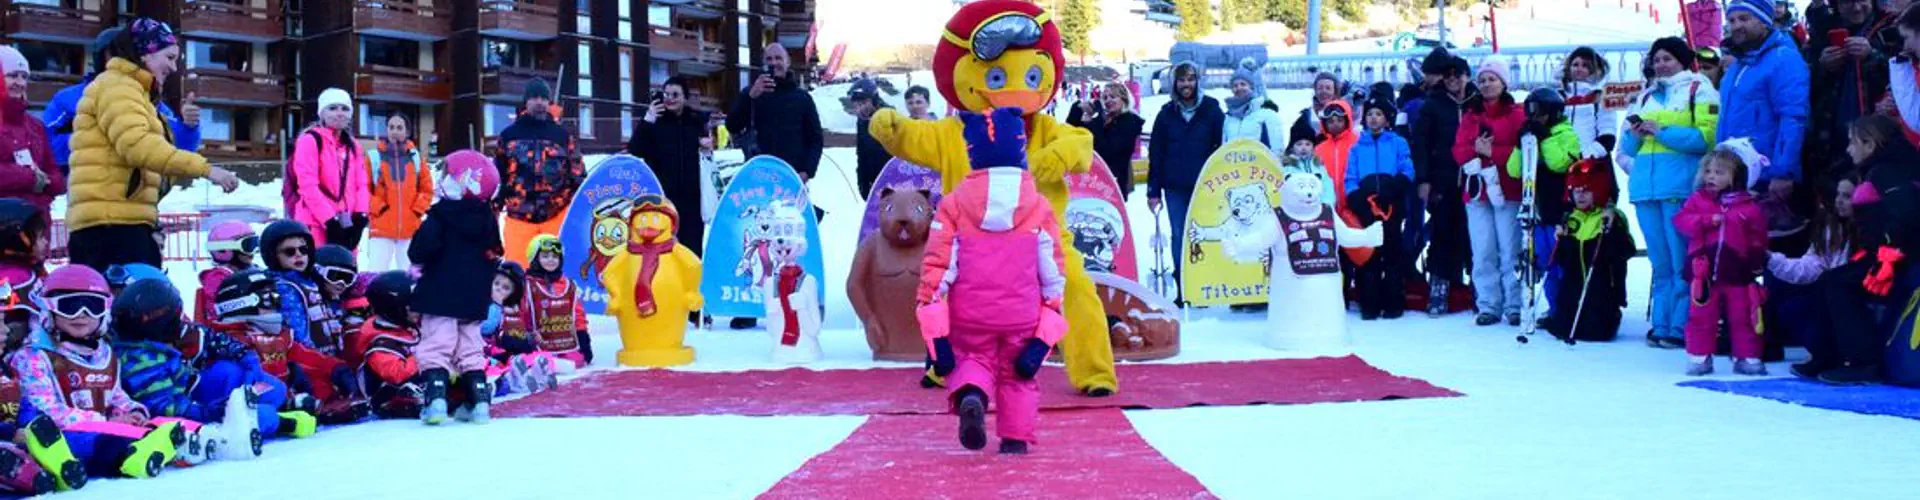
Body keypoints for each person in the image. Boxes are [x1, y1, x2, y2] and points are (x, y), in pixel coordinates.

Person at [916, 109, 1067, 455]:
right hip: (1022, 313)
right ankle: (1014, 439)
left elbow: (938, 267)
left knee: (973, 357)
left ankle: (972, 395)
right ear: (1020, 151)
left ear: (973, 154)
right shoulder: (1039, 207)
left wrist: (935, 332)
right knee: (1018, 376)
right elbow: (1053, 271)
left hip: (971, 313)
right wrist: (1049, 321)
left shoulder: (953, 205)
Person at [64, 18, 240, 272]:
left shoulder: (137, 93)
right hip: (110, 229)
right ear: (145, 54)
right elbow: (139, 146)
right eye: (169, 57)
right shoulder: (118, 87)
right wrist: (207, 170)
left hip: (121, 222)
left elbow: (156, 157)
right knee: (139, 306)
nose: (173, 66)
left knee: (147, 302)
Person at [1619, 37, 1721, 348]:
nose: (1661, 65)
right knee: (1659, 262)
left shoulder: (1698, 89)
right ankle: (1661, 324)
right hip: (1645, 189)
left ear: (1681, 60)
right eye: (1657, 59)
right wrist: (1636, 135)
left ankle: (1681, 324)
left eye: (1667, 59)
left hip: (1678, 185)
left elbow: (1706, 137)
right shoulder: (1646, 95)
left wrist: (1661, 131)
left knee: (1681, 261)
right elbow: (1626, 147)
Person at [1803, 115, 1920, 383]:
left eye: (1852, 143)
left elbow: (1908, 214)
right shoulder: (1887, 166)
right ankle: (1827, 355)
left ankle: (1862, 362)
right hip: (1886, 255)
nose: (1848, 149)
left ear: (1870, 143)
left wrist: (1887, 258)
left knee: (1837, 285)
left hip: (1900, 260)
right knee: (1831, 280)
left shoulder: (1889, 171)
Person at [110, 278, 279, 463]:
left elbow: (210, 338)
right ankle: (235, 429)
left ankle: (261, 405)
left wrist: (245, 355)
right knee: (266, 415)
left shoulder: (167, 337)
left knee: (255, 382)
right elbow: (164, 408)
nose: (181, 322)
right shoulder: (141, 361)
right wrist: (211, 412)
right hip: (189, 414)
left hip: (195, 393)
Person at [409, 150, 503, 425]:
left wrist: (419, 260)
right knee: (470, 349)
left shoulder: (441, 215)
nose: (441, 180)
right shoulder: (487, 218)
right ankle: (479, 403)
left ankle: (436, 401)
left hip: (439, 296)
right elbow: (494, 252)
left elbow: (422, 249)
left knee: (437, 347)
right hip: (472, 298)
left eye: (447, 176)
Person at [44, 27, 202, 177]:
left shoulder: (151, 102)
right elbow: (43, 145)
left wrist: (189, 126)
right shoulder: (70, 98)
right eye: (118, 54)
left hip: (134, 195)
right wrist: (98, 140)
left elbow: (179, 148)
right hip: (82, 192)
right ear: (103, 56)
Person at [1675, 141, 1771, 375]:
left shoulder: (1749, 208)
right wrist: (1705, 221)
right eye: (1708, 171)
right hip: (1703, 273)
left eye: (1719, 172)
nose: (1711, 177)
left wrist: (1756, 263)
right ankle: (1699, 356)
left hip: (1738, 272)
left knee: (1743, 317)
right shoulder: (1698, 201)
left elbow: (1758, 238)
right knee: (1701, 316)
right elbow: (1681, 221)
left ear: (1737, 175)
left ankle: (1746, 356)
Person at [1454, 55, 1528, 327]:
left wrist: (1493, 153)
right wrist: (1474, 152)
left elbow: (1524, 151)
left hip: (1508, 190)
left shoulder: (1518, 114)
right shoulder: (1471, 115)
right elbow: (1459, 148)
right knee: (1483, 250)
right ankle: (1488, 304)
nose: (1486, 84)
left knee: (1510, 249)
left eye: (1492, 79)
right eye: (1482, 79)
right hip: (1477, 191)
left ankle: (1514, 303)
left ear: (1503, 82)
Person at [206, 268, 321, 438]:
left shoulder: (279, 334)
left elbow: (308, 356)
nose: (276, 305)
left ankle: (285, 409)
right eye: (268, 299)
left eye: (277, 298)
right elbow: (248, 378)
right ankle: (279, 417)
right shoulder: (231, 341)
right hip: (235, 403)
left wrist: (337, 369)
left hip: (271, 396)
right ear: (241, 303)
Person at [1146, 62, 1224, 305]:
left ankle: (1207, 283)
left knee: (1207, 234)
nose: (1186, 85)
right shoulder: (1166, 113)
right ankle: (1184, 289)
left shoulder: (1212, 110)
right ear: (1175, 84)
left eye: (1190, 79)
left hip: (1206, 186)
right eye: (1181, 80)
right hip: (1175, 185)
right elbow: (1156, 153)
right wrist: (1153, 190)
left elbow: (1221, 145)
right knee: (1180, 235)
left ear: (1197, 81)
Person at [1805, 0, 1899, 196]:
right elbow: (1800, 84)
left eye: (1862, 1)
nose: (1856, 8)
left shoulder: (1892, 27)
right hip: (1828, 139)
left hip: (1875, 138)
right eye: (1848, 2)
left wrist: (1872, 56)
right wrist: (1822, 67)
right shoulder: (1821, 32)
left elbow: (1904, 77)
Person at [1721, 0, 1811, 200]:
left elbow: (1793, 118)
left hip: (1767, 177)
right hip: (1735, 172)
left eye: (1744, 18)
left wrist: (1783, 171)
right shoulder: (1738, 66)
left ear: (1764, 21)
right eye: (1732, 20)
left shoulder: (1783, 59)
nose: (1736, 26)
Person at [1771, 171, 1857, 376]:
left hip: (1852, 296)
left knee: (1823, 294)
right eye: (1838, 195)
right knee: (1788, 300)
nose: (1840, 201)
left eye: (1847, 196)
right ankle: (1821, 355)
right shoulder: (1830, 228)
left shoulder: (1867, 229)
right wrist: (1770, 260)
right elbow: (1811, 266)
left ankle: (1841, 357)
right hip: (1829, 291)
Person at [494, 79, 585, 269]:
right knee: (516, 272)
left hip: (556, 215)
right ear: (526, 101)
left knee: (556, 270)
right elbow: (498, 177)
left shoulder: (562, 135)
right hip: (519, 216)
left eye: (544, 98)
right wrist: (493, 212)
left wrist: (581, 209)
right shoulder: (509, 135)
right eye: (534, 97)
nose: (539, 102)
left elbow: (577, 173)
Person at [1411, 51, 1474, 317]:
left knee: (1474, 235)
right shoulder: (1433, 104)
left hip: (1474, 178)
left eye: (1456, 75)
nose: (1452, 80)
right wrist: (1424, 179)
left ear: (1466, 76)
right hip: (1442, 179)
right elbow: (1421, 145)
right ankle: (1439, 286)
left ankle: (1478, 286)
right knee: (1442, 233)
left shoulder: (1477, 102)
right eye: (1447, 76)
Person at [1343, 96, 1415, 320]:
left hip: (1391, 204)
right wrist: (1357, 200)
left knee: (1392, 253)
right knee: (1369, 255)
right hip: (1366, 206)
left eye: (1379, 114)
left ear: (1387, 119)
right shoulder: (1357, 147)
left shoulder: (1397, 143)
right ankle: (1369, 302)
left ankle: (1393, 301)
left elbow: (1407, 169)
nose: (1374, 119)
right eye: (1370, 114)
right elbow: (1350, 177)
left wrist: (1393, 190)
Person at [1546, 160, 1634, 342]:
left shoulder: (1610, 216)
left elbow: (1626, 250)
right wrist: (1563, 239)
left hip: (1601, 288)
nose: (1580, 196)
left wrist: (1611, 232)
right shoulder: (1570, 218)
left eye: (1586, 190)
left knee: (1596, 331)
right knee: (1561, 326)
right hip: (1573, 288)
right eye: (1576, 190)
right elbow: (1563, 260)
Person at [1513, 88, 1580, 324]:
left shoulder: (1566, 134)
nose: (1534, 118)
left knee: (1561, 261)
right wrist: (1521, 144)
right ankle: (1554, 309)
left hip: (1560, 209)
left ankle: (1567, 309)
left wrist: (1546, 138)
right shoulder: (1531, 135)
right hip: (1538, 211)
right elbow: (1514, 170)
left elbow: (1560, 164)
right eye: (1530, 112)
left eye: (1539, 112)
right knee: (1545, 262)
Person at [628, 77, 713, 257]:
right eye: (666, 94)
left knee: (691, 247)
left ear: (684, 97)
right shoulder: (655, 121)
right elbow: (635, 149)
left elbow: (706, 153)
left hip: (692, 197)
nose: (670, 99)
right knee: (663, 243)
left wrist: (706, 145)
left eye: (675, 94)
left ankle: (691, 282)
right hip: (663, 196)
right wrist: (647, 120)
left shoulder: (695, 121)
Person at [726, 42, 825, 184]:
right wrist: (749, 98)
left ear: (787, 62)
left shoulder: (802, 98)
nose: (774, 63)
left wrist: (806, 172)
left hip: (792, 177)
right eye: (769, 59)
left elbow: (816, 139)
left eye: (778, 58)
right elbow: (732, 125)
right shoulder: (751, 93)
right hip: (758, 177)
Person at [287, 88, 370, 250]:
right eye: (332, 108)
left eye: (345, 108)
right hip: (315, 224)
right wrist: (330, 221)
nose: (339, 113)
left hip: (347, 224)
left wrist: (360, 216)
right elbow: (307, 186)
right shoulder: (310, 141)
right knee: (318, 270)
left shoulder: (353, 146)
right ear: (321, 113)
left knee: (345, 271)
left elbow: (362, 184)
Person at [0, 47, 64, 215]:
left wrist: (47, 182)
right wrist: (29, 177)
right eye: (13, 75)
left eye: (24, 77)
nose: (20, 83)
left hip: (37, 225)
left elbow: (56, 175)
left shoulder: (35, 125)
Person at [364, 114, 432, 272]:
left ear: (407, 131)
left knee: (409, 275)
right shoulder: (373, 157)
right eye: (391, 127)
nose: (395, 131)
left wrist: (416, 211)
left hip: (410, 229)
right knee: (376, 275)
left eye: (399, 127)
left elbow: (427, 189)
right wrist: (379, 208)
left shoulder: (416, 158)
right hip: (381, 228)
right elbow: (363, 190)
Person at [354, 270, 424, 419]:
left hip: (415, 380)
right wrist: (426, 354)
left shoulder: (407, 327)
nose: (420, 309)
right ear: (394, 309)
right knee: (402, 389)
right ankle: (405, 403)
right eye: (413, 305)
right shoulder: (379, 342)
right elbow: (396, 373)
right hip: (388, 391)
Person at [522, 235, 591, 370]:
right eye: (545, 256)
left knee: (577, 362)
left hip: (564, 344)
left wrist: (583, 337)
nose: (551, 260)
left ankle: (553, 364)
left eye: (555, 257)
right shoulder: (527, 284)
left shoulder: (567, 284)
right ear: (535, 259)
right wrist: (526, 337)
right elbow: (521, 313)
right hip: (538, 343)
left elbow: (577, 313)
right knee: (537, 361)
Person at [1067, 82, 1146, 196]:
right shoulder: (1104, 121)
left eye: (1113, 97)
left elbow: (1108, 149)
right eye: (1105, 97)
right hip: (1093, 181)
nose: (1108, 100)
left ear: (1124, 99)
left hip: (1113, 184)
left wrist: (1096, 118)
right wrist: (1077, 109)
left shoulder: (1130, 121)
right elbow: (1072, 134)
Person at [1220, 57, 1287, 159]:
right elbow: (1223, 146)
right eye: (1235, 85)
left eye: (1243, 84)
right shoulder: (1227, 118)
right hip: (1234, 171)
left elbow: (1276, 147)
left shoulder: (1266, 114)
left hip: (1259, 170)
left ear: (1251, 87)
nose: (1239, 88)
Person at [1559, 46, 1618, 158]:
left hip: (1591, 164)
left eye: (1585, 65)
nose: (1579, 68)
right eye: (1575, 64)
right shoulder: (1559, 97)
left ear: (1594, 70)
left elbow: (1608, 134)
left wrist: (1586, 156)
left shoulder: (1601, 98)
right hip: (1559, 163)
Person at [195, 221, 257, 325]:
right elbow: (216, 311)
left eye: (255, 243)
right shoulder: (217, 279)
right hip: (229, 331)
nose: (253, 251)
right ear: (224, 250)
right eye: (248, 246)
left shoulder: (255, 271)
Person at [849, 79, 893, 197]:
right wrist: (862, 181)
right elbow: (862, 153)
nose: (860, 108)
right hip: (873, 181)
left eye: (864, 103)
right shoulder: (862, 121)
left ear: (874, 100)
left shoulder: (889, 117)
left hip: (892, 180)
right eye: (857, 105)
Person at [1290, 72, 1344, 146]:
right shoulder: (1304, 119)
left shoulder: (1344, 117)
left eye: (1328, 88)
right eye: (1320, 88)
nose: (1324, 91)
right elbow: (1292, 148)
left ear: (1335, 92)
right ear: (1315, 91)